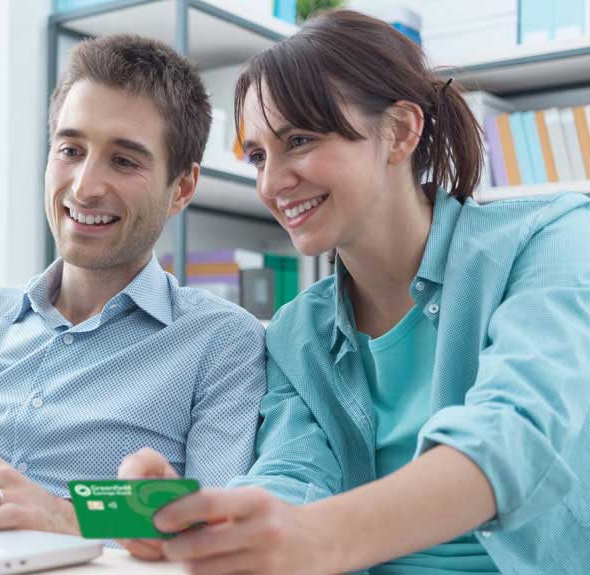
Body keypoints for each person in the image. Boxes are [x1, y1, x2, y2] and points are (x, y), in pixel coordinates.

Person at [118, 10, 590, 574]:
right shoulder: (298, 331)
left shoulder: (552, 239)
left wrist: (320, 536)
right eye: (258, 156)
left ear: (400, 131)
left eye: (300, 140)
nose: (271, 183)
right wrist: (206, 522)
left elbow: (515, 434)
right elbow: (293, 477)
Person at [0, 34, 267, 537]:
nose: (84, 186)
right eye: (70, 149)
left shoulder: (222, 341)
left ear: (183, 188)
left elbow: (211, 514)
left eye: (124, 160)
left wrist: (67, 513)